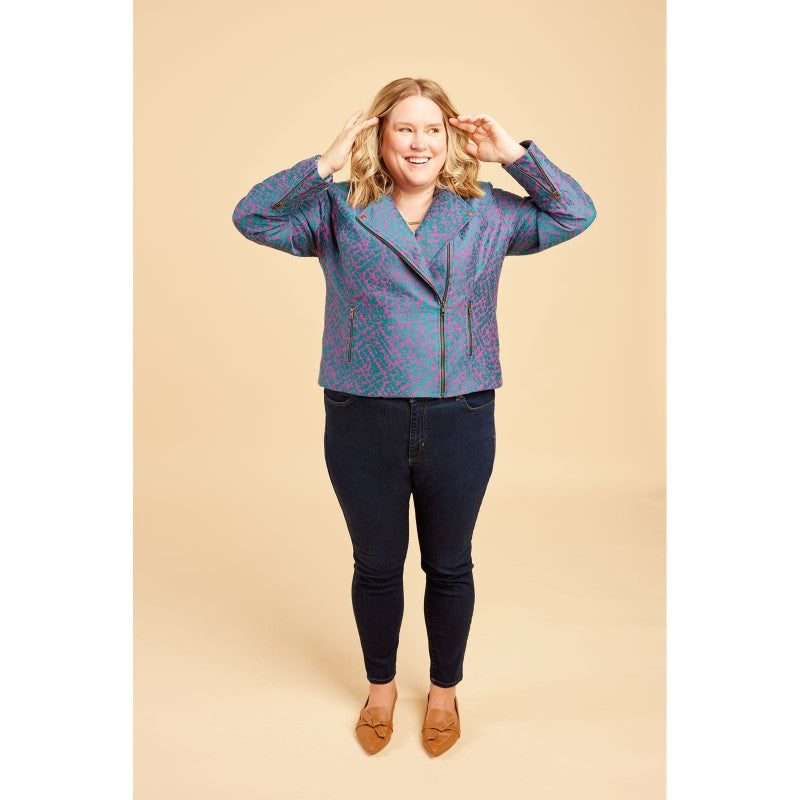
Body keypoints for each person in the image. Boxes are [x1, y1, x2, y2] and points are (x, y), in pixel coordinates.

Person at [232, 77, 596, 756]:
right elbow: (251, 218)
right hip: (361, 412)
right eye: (404, 128)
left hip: (460, 412)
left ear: (451, 138)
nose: (419, 143)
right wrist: (323, 164)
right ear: (380, 136)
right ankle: (380, 688)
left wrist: (514, 156)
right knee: (375, 564)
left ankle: (444, 691)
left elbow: (575, 214)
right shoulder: (339, 209)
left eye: (433, 128)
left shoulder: (487, 211)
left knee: (450, 564)